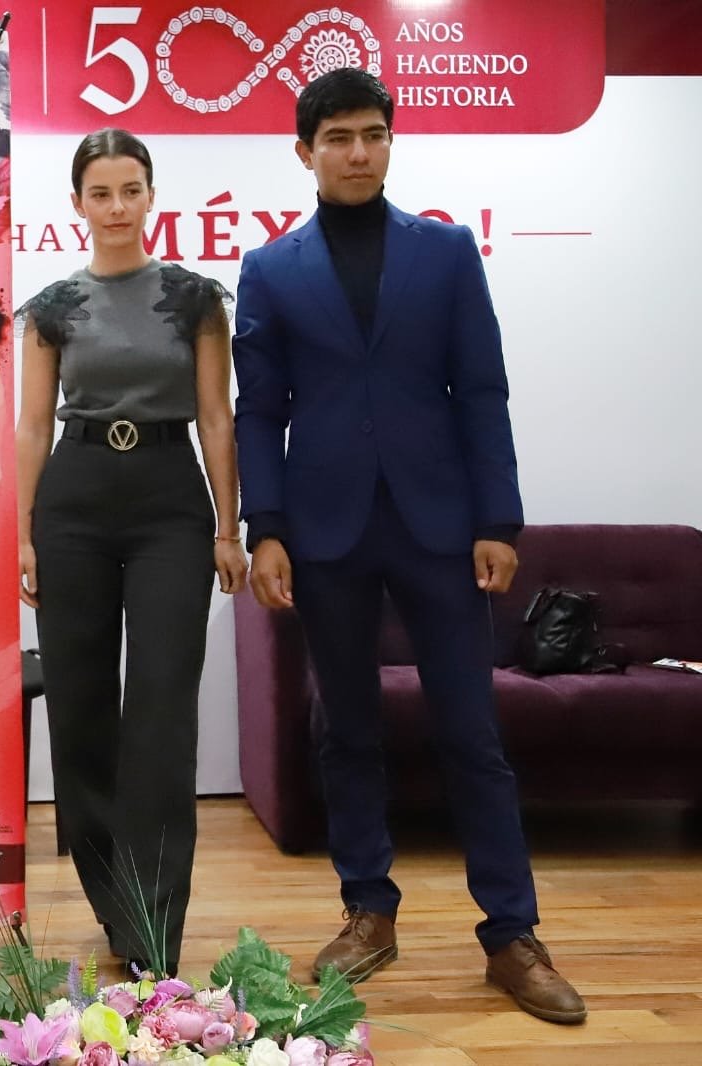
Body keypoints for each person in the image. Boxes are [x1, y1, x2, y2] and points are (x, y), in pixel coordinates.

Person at [232, 68, 585, 1023]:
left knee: (473, 732)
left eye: (373, 135)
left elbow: (482, 388)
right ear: (305, 151)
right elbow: (259, 411)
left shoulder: (447, 252)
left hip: (439, 527)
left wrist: (498, 520)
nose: (358, 153)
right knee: (346, 729)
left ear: (391, 142)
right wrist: (267, 528)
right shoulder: (270, 269)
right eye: (339, 138)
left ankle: (511, 935)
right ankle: (368, 911)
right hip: (326, 531)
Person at [15, 129, 247, 978]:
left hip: (168, 503)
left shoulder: (195, 299)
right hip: (73, 500)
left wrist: (228, 528)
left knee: (161, 713)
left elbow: (216, 418)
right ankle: (114, 903)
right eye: (100, 193)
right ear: (77, 203)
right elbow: (32, 425)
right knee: (80, 710)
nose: (116, 207)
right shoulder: (51, 308)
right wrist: (22, 533)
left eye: (130, 190)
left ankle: (157, 929)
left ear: (151, 196)